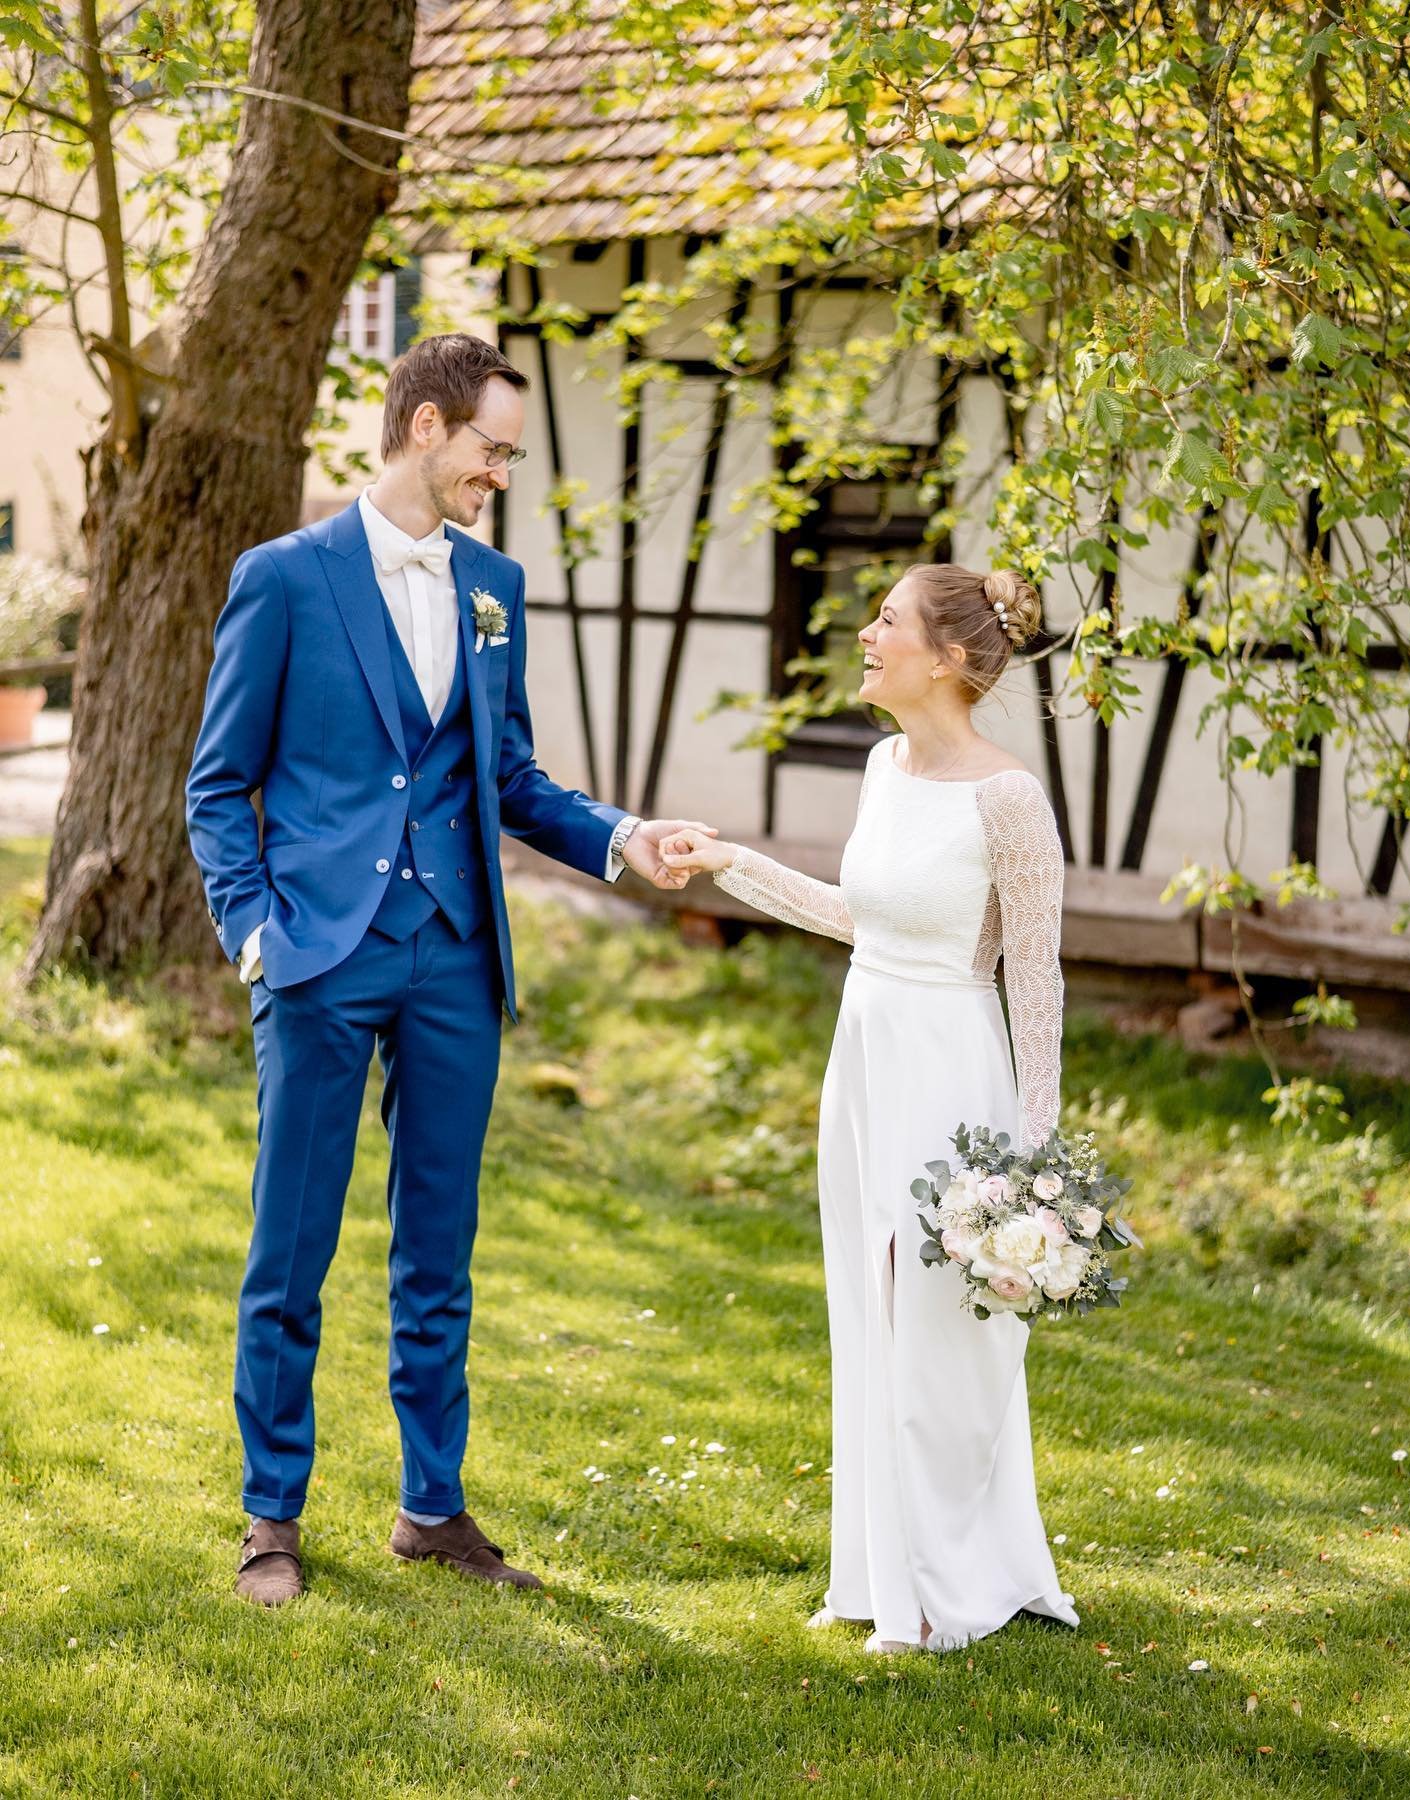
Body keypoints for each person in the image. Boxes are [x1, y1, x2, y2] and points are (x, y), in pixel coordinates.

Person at [187, 333, 714, 1606]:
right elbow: (218, 786)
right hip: (318, 956)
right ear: (425, 429)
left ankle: (432, 1506)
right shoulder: (285, 579)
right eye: (493, 450)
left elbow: (511, 776)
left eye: (512, 456)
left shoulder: (496, 586)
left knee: (441, 1247)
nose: (501, 476)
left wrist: (623, 840)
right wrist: (257, 936)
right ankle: (273, 1517)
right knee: (291, 1246)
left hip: (454, 958)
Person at [660, 565, 1079, 1653]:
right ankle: (880, 1572)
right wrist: (730, 866)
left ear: (945, 658)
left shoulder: (1011, 799)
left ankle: (946, 1584)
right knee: (870, 1310)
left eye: (886, 620)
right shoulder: (884, 765)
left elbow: (1034, 982)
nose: (865, 633)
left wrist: (1035, 1169)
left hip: (952, 1067)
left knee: (941, 1328)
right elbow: (863, 917)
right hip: (866, 1056)